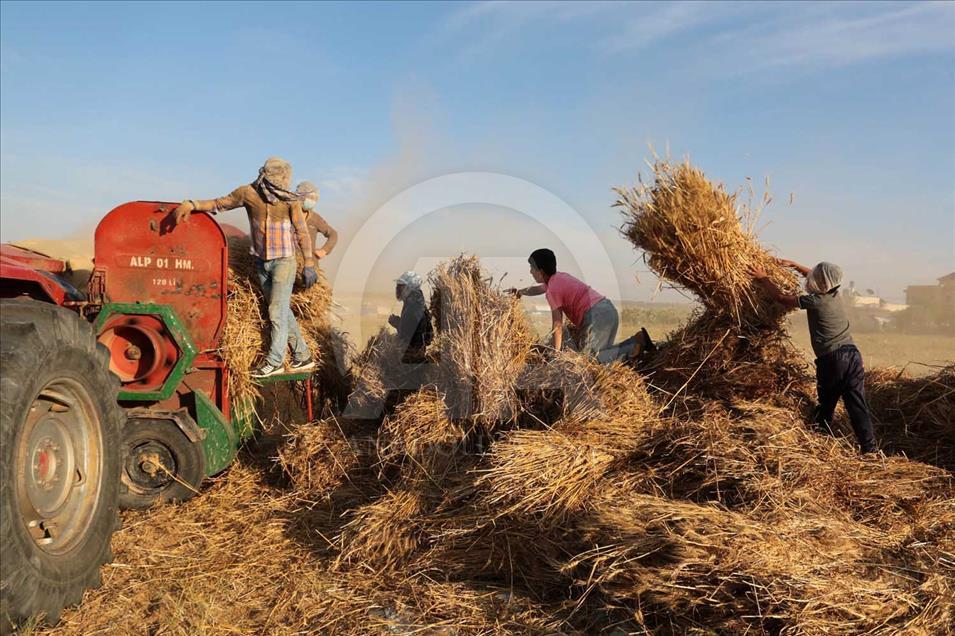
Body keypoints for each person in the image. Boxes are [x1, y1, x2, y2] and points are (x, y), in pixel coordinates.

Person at [172, 157, 318, 378]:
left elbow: (302, 231)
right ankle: (302, 356)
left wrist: (308, 263)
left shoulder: (291, 200)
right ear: (268, 176)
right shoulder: (249, 193)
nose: (283, 183)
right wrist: (192, 204)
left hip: (285, 261)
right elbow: (220, 203)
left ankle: (275, 361)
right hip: (262, 262)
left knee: (275, 312)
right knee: (281, 310)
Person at [751, 258, 877, 454]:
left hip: (833, 359)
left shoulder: (816, 301)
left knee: (826, 404)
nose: (810, 280)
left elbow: (782, 299)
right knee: (857, 405)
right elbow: (817, 276)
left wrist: (763, 278)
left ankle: (819, 441)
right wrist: (794, 265)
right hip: (853, 355)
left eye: (815, 278)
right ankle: (869, 449)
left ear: (823, 283)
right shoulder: (834, 295)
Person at [511, 248, 641, 364]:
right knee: (602, 356)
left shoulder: (553, 291)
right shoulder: (558, 278)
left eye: (532, 268)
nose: (530, 272)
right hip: (608, 311)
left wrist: (554, 355)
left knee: (586, 362)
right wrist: (520, 292)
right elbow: (539, 289)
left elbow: (557, 325)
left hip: (596, 316)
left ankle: (632, 347)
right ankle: (636, 342)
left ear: (541, 271)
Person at [388, 271, 433, 362]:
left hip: (411, 358)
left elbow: (408, 332)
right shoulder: (417, 302)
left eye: (401, 286)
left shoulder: (413, 306)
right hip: (415, 355)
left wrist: (396, 322)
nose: (397, 289)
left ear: (409, 288)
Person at [294, 181, 339, 265]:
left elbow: (333, 234)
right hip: (289, 264)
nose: (312, 201)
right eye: (310, 198)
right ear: (300, 197)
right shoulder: (288, 215)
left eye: (315, 199)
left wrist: (324, 250)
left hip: (310, 265)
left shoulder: (315, 218)